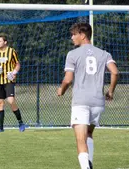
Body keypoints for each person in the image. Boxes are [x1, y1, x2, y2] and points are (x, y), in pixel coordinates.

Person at [57, 23, 118, 169]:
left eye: (74, 34)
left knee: (80, 140)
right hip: (98, 102)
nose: (72, 37)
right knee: (89, 133)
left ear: (83, 35)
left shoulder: (72, 54)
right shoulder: (104, 53)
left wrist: (62, 90)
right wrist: (110, 92)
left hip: (81, 102)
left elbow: (68, 79)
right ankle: (89, 164)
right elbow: (115, 72)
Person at [0, 33, 25, 132]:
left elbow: (17, 64)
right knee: (0, 103)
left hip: (9, 80)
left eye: (0, 41)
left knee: (11, 101)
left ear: (5, 42)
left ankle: (20, 122)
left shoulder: (11, 51)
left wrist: (14, 72)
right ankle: (0, 127)